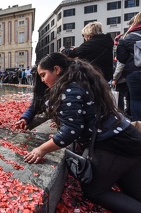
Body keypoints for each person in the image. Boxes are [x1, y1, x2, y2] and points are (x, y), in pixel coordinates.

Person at [24, 52, 141, 212]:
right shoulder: (80, 80)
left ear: (56, 69)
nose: (43, 80)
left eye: (44, 75)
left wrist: (41, 149)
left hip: (112, 144)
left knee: (95, 191)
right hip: (128, 137)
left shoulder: (67, 90)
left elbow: (71, 131)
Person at [116, 12, 141, 121]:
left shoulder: (126, 38)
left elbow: (121, 59)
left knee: (136, 100)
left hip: (134, 72)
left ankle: (138, 127)